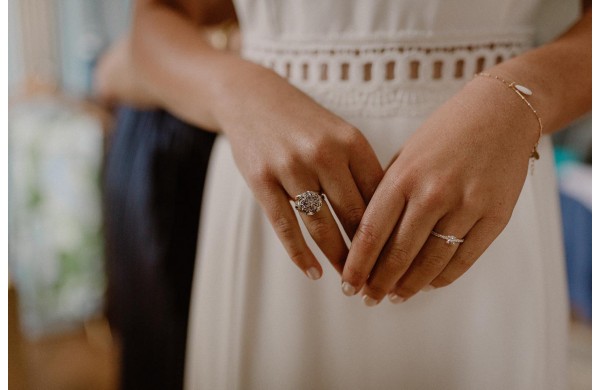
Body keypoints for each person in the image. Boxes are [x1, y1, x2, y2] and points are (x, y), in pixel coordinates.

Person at [104, 0, 591, 388]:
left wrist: (523, 97)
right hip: (275, 191)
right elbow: (156, 17)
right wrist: (232, 91)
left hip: (486, 187)